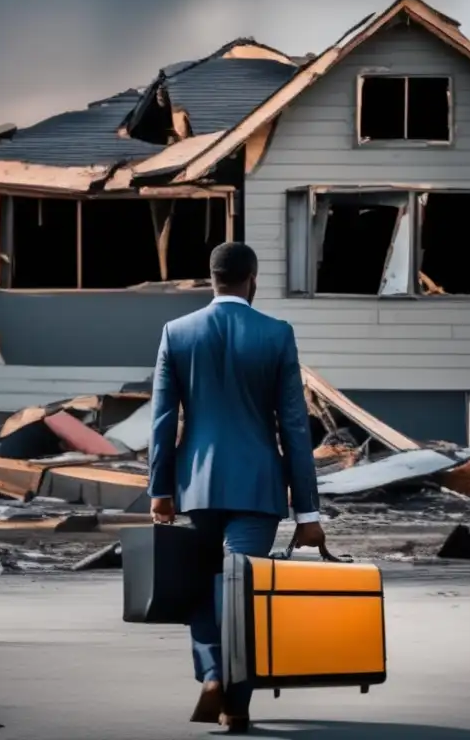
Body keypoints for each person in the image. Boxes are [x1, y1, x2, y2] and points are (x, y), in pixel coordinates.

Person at [147, 242, 325, 734]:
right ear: (253, 279)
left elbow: (163, 420)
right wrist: (307, 513)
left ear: (212, 279)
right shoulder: (276, 334)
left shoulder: (177, 333)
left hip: (197, 488)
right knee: (242, 592)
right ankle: (235, 705)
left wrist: (159, 491)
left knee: (203, 586)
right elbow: (294, 426)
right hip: (258, 489)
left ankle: (211, 675)